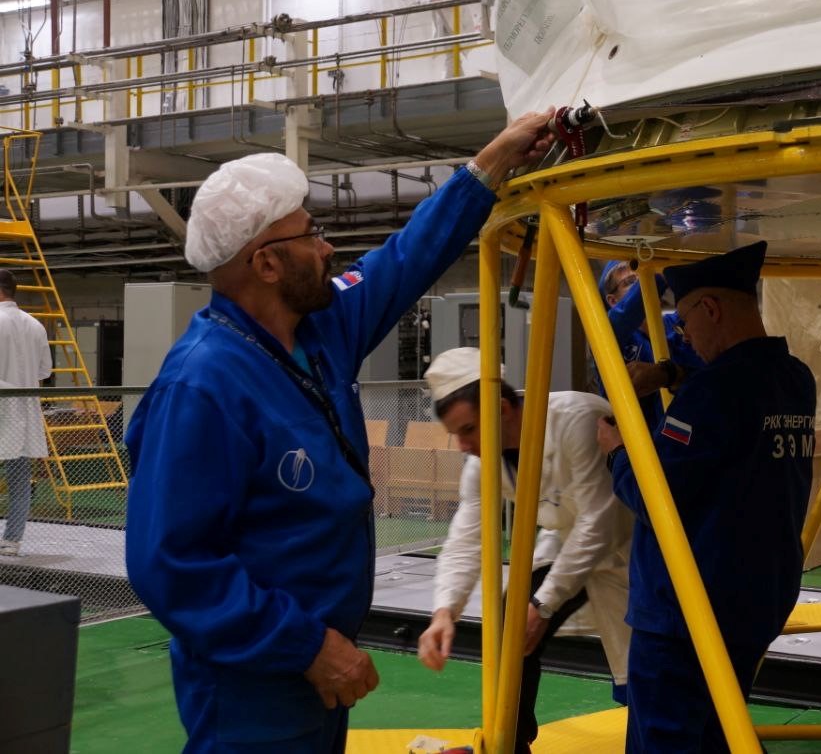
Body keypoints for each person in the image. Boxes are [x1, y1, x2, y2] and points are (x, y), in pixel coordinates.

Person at [124, 111, 554, 754]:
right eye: (311, 234)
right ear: (267, 264)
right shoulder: (202, 387)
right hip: (255, 687)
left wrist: (488, 166)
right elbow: (171, 565)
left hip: (318, 673)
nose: (328, 248)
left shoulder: (318, 332)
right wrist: (306, 646)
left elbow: (403, 260)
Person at [596, 240, 817, 753]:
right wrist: (670, 374)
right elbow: (735, 406)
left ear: (711, 308)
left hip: (686, 614)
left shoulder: (711, 394)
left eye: (685, 322)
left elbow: (655, 498)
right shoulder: (795, 379)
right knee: (719, 734)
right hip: (755, 601)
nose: (685, 337)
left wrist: (618, 453)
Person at [418, 347, 632, 754]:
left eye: (468, 429)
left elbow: (600, 522)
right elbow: (465, 538)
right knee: (511, 623)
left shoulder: (575, 418)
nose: (463, 445)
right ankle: (512, 743)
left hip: (633, 548)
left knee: (649, 676)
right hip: (569, 544)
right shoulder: (483, 460)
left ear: (501, 409)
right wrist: (444, 611)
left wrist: (544, 604)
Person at [596, 259, 701, 432]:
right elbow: (620, 319)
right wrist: (658, 273)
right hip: (640, 442)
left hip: (694, 431)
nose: (642, 284)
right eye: (632, 281)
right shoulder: (609, 336)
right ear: (613, 301)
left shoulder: (678, 324)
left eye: (642, 279)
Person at [0, 268, 52, 558]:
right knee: (20, 480)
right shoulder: (36, 325)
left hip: (2, 409)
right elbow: (45, 371)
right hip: (24, 412)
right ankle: (12, 541)